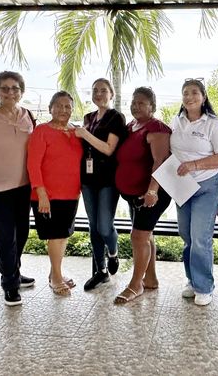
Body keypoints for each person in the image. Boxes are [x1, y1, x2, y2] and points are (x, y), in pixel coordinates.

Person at [170, 78, 218, 306]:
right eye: (185, 93)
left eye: (195, 92)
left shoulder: (213, 124)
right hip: (182, 186)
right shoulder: (176, 121)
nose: (189, 97)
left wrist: (194, 165)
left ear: (203, 97)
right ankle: (192, 280)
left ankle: (204, 287)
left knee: (200, 238)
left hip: (207, 186)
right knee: (186, 236)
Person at [0, 71, 36, 307]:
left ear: (21, 91)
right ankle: (10, 285)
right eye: (4, 88)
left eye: (15, 88)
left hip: (24, 187)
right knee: (5, 238)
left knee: (21, 234)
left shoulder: (28, 116)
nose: (10, 92)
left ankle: (15, 272)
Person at [114, 87, 172, 303]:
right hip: (134, 194)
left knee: (138, 236)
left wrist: (152, 190)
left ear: (152, 107)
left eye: (141, 103)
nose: (136, 106)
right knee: (146, 235)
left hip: (153, 193)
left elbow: (161, 161)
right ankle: (150, 279)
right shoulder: (131, 126)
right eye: (133, 102)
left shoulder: (157, 128)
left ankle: (135, 284)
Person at [27, 91, 83, 297]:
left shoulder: (76, 132)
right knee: (55, 236)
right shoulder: (41, 131)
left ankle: (55, 272)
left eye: (67, 106)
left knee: (63, 235)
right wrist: (41, 193)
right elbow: (33, 164)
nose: (63, 110)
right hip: (47, 195)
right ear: (50, 108)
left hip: (71, 194)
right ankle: (56, 278)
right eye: (58, 105)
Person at [74, 78, 127, 291]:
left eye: (103, 90)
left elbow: (108, 149)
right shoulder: (89, 117)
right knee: (93, 226)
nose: (99, 94)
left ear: (111, 94)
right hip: (88, 180)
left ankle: (113, 253)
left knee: (104, 226)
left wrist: (84, 134)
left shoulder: (116, 117)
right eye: (95, 90)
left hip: (108, 180)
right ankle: (101, 271)